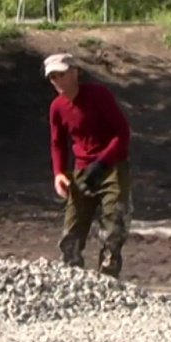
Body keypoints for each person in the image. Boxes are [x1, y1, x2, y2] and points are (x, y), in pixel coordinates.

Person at [44, 53, 132, 278]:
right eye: (53, 77)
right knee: (71, 234)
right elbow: (57, 143)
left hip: (110, 166)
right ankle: (72, 278)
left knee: (114, 226)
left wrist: (103, 163)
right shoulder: (57, 107)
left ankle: (108, 279)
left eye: (61, 75)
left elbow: (122, 134)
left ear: (75, 73)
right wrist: (59, 174)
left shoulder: (98, 95)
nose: (58, 81)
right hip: (82, 170)